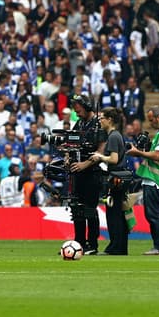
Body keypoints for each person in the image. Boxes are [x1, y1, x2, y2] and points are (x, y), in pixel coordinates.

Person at [127, 107, 159, 256]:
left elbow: (158, 156)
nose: (150, 123)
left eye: (152, 120)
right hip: (153, 178)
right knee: (152, 213)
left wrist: (137, 152)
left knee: (155, 214)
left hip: (155, 178)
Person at [66, 95, 105, 255]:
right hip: (77, 174)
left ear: (87, 107)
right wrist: (67, 157)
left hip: (92, 173)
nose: (77, 113)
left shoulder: (98, 124)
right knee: (77, 208)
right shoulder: (79, 123)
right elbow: (70, 144)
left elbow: (101, 150)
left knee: (90, 209)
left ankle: (92, 244)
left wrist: (85, 164)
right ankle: (79, 242)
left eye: (79, 110)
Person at [93, 107, 129, 255]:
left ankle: (115, 247)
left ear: (110, 120)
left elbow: (113, 159)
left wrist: (99, 157)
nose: (100, 121)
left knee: (113, 214)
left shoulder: (113, 136)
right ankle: (120, 246)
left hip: (115, 178)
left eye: (102, 118)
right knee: (118, 214)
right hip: (119, 177)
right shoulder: (116, 135)